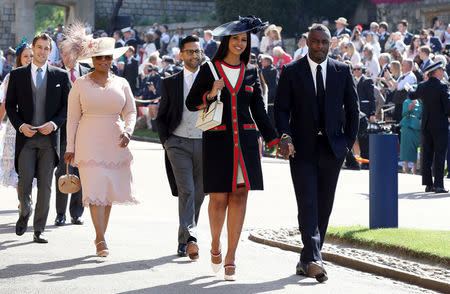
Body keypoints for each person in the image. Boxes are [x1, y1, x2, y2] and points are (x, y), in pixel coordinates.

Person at [186, 16, 279, 281]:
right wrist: (209, 94)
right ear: (226, 41)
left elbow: (259, 110)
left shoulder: (251, 70)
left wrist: (273, 140)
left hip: (246, 144)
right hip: (218, 142)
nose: (240, 43)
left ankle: (231, 258)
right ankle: (215, 245)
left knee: (240, 197)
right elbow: (192, 103)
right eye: (236, 39)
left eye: (244, 40)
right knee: (219, 199)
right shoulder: (210, 69)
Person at [275, 24, 359, 282]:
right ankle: (314, 260)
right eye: (315, 41)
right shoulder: (291, 71)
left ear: (330, 44)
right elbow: (280, 110)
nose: (320, 46)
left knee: (324, 207)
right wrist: (286, 136)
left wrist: (346, 144)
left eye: (324, 42)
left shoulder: (342, 70)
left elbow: (353, 110)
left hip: (332, 150)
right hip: (302, 150)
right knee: (308, 204)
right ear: (307, 42)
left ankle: (307, 258)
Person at [64, 36, 138, 257]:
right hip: (88, 143)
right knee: (95, 190)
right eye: (99, 57)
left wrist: (128, 131)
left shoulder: (122, 83)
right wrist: (70, 146)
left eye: (108, 57)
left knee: (107, 193)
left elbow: (131, 112)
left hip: (115, 142)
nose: (104, 60)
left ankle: (100, 235)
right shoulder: (80, 84)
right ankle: (101, 238)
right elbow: (72, 118)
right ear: (92, 60)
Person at [6, 33, 71, 243]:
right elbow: (10, 106)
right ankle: (25, 211)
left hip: (49, 141)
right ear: (33, 48)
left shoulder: (60, 76)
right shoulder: (17, 75)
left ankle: (39, 229)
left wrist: (53, 125)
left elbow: (67, 107)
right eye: (39, 47)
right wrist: (21, 126)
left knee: (45, 185)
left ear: (50, 52)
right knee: (24, 182)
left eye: (46, 48)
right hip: (26, 139)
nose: (42, 52)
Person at [156, 35, 205, 260]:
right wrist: (166, 141)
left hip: (206, 143)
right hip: (178, 143)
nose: (194, 55)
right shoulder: (170, 82)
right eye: (190, 51)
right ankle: (191, 239)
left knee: (200, 193)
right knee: (187, 190)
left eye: (197, 51)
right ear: (181, 55)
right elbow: (162, 115)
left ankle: (183, 239)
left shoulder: (212, 79)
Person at [53, 41, 91, 226]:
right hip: (63, 131)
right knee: (63, 170)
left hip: (86, 130)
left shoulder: (89, 72)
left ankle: (77, 212)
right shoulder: (56, 75)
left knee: (82, 171)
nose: (68, 57)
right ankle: (60, 213)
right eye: (64, 54)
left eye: (71, 53)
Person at [409, 61, 450, 193]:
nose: (443, 72)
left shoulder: (422, 86)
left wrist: (409, 88)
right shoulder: (442, 86)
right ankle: (438, 184)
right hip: (440, 125)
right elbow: (448, 107)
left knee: (427, 154)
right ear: (436, 71)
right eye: (441, 70)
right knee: (439, 154)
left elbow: (412, 95)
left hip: (426, 125)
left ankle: (428, 184)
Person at [0, 42, 33, 205]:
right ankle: (23, 201)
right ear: (19, 58)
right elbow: (5, 104)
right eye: (25, 56)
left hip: (34, 125)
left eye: (31, 56)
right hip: (14, 127)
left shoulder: (40, 76)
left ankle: (26, 197)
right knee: (16, 165)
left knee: (31, 164)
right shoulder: (11, 77)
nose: (29, 59)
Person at [399, 98, 422, 174]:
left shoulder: (420, 103)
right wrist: (410, 108)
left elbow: (421, 115)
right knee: (405, 146)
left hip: (416, 126)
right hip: (407, 125)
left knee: (414, 147)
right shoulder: (406, 101)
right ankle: (406, 169)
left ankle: (414, 170)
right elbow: (403, 113)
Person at [260, 54, 279, 127]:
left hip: (268, 94)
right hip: (274, 93)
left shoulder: (264, 71)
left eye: (263, 61)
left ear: (268, 62)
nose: (261, 62)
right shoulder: (275, 69)